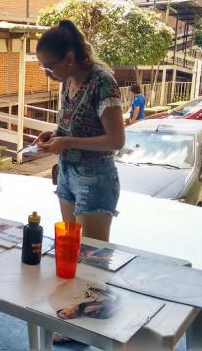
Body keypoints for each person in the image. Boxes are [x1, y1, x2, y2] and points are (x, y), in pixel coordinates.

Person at [35, 20, 125, 243]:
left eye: (49, 67)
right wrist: (56, 135)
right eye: (42, 67)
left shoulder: (102, 82)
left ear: (70, 58)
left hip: (94, 177)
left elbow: (116, 140)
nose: (47, 73)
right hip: (66, 173)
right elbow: (78, 127)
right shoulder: (68, 81)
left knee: (90, 258)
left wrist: (67, 142)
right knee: (69, 248)